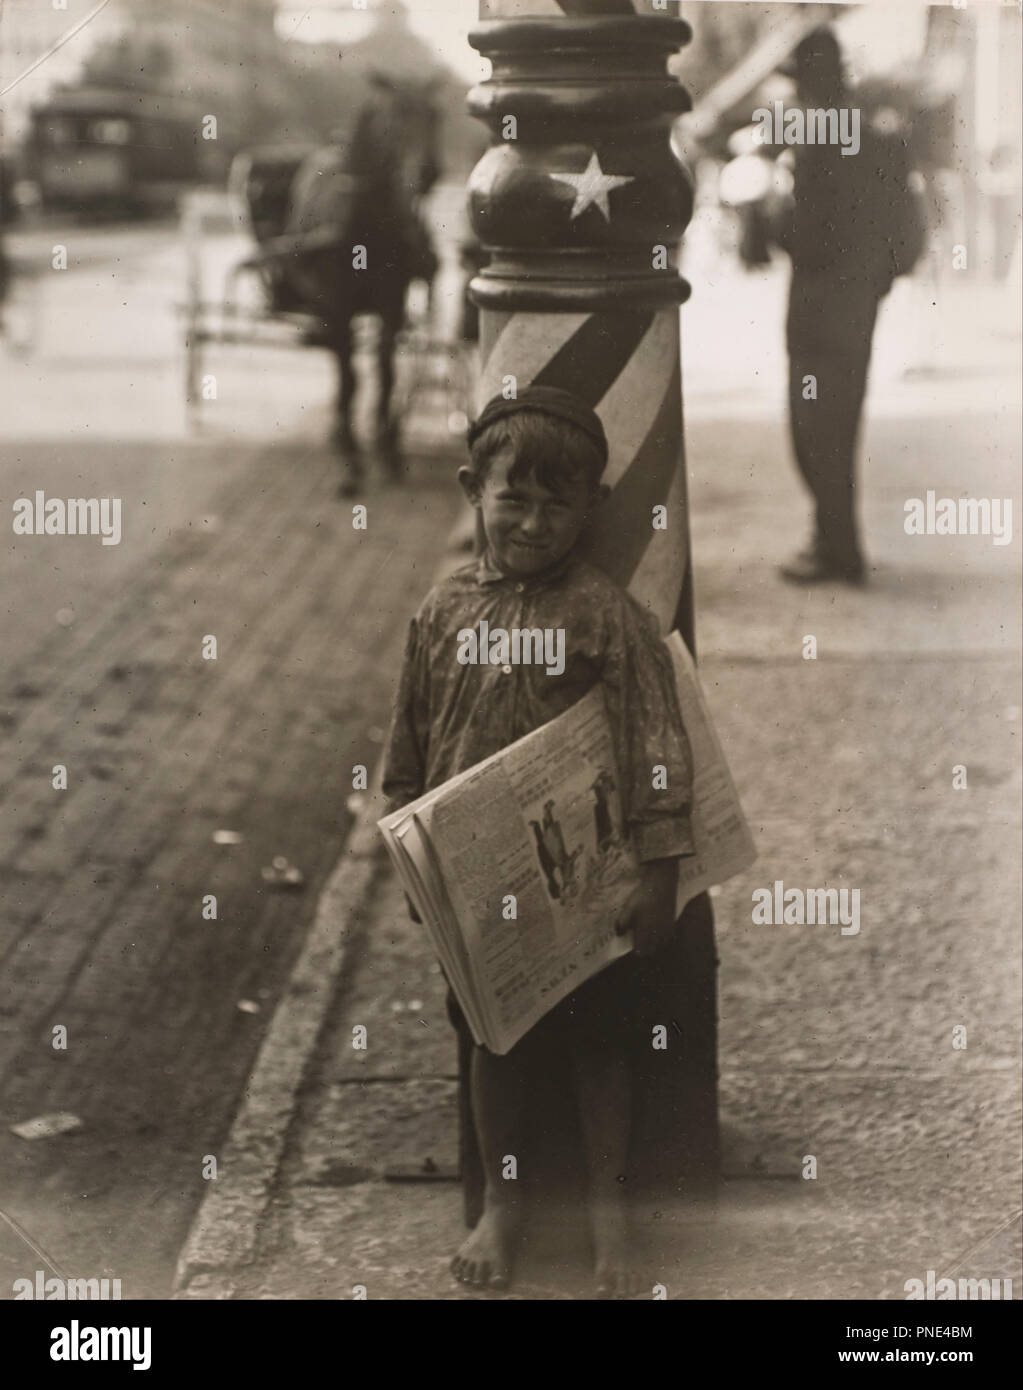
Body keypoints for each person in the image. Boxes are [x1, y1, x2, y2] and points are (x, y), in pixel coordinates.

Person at [382, 385, 695, 1297]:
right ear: (470, 488)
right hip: (480, 885)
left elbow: (655, 742)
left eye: (557, 502)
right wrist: (412, 856)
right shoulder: (439, 614)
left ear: (591, 506)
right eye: (511, 497)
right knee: (495, 1041)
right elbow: (406, 744)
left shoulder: (605, 616)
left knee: (602, 1047)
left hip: (588, 877)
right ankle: (503, 1207)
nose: (532, 521)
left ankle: (608, 1218)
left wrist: (661, 869)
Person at [773, 29, 913, 585]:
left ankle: (836, 549)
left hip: (815, 304)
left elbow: (799, 234)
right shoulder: (880, 138)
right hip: (857, 303)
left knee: (811, 428)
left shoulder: (813, 142)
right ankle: (836, 543)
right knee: (840, 422)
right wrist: (877, 279)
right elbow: (906, 230)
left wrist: (777, 217)